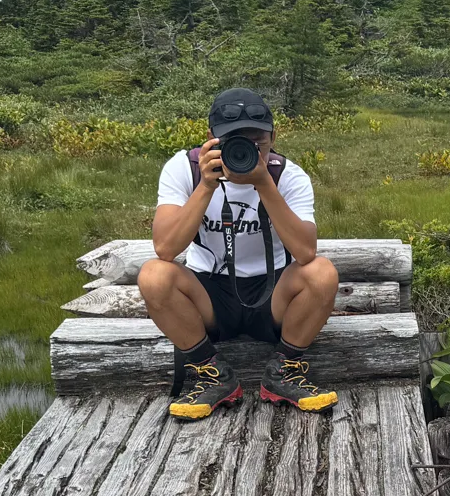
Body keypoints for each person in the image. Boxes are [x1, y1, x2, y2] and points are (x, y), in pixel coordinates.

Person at [140, 87, 341, 418]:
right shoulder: (185, 169)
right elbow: (166, 248)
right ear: (210, 137)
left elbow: (305, 253)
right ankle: (213, 374)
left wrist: (263, 183)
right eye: (234, 141)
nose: (245, 151)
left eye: (256, 143)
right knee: (153, 274)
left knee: (322, 273)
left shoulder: (287, 176)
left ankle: (283, 373)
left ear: (273, 137)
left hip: (272, 291)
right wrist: (205, 186)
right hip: (208, 291)